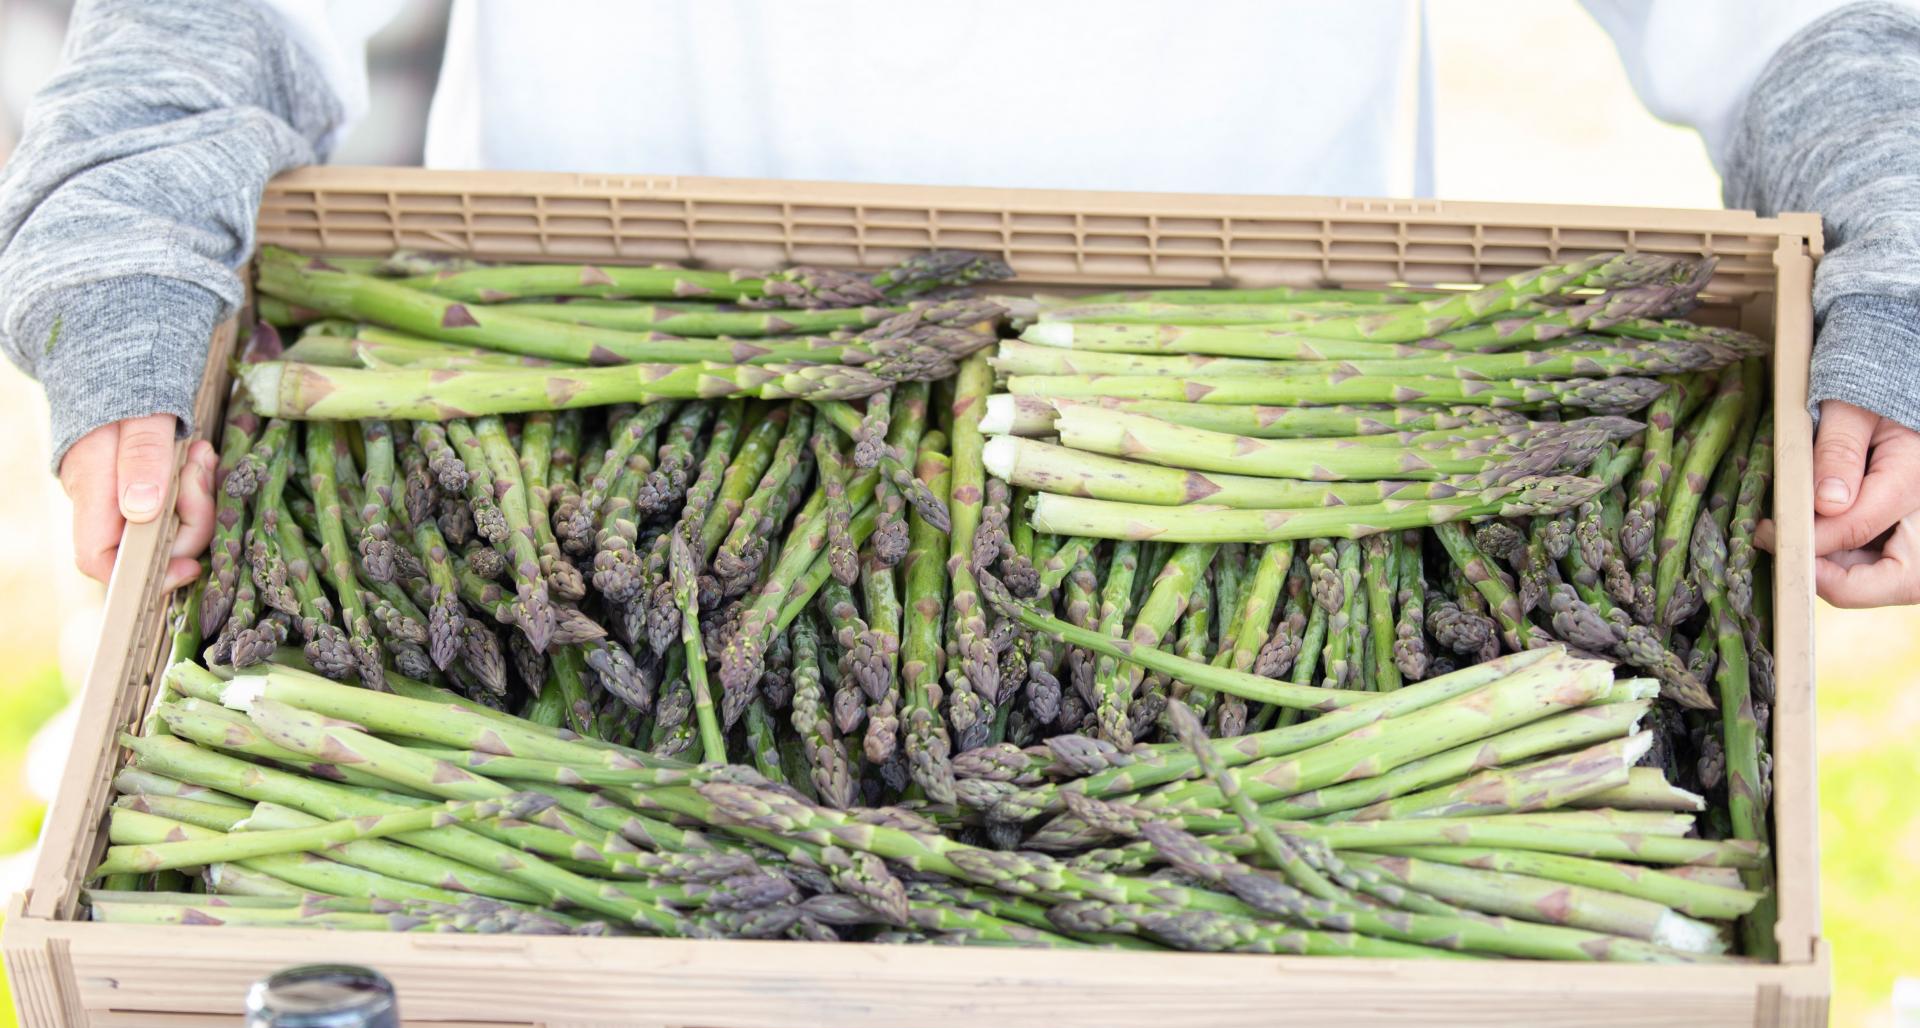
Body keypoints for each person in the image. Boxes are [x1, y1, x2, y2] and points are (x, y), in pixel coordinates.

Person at [2, 0, 1915, 606]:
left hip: (1267, 526)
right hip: (586, 535)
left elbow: (1814, 29)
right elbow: (215, 23)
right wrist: (125, 274)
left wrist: (1897, 272)